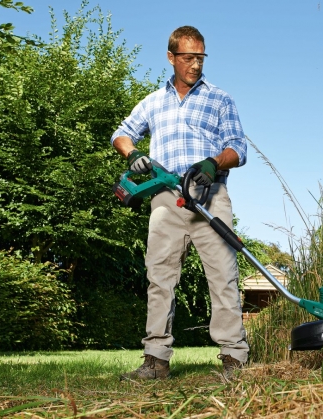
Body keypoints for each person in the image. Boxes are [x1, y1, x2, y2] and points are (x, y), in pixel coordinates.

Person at [111, 26, 249, 381]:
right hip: (166, 199)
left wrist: (214, 163)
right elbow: (121, 134)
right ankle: (155, 361)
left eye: (200, 58)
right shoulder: (153, 102)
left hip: (209, 196)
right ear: (171, 57)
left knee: (223, 277)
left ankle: (234, 360)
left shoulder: (220, 99)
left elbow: (238, 148)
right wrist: (133, 154)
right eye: (188, 57)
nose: (195, 64)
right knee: (159, 277)